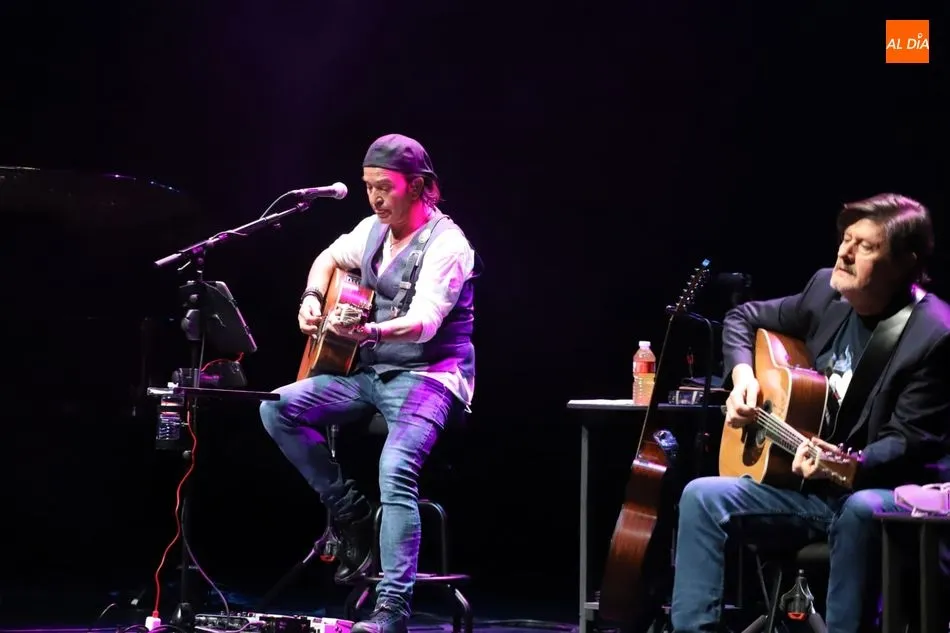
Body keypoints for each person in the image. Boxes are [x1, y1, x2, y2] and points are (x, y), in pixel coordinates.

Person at [670, 193, 950, 633]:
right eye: (846, 239)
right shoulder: (825, 291)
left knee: (860, 508)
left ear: (904, 264)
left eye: (866, 246)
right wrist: (744, 376)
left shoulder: (933, 333)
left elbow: (911, 442)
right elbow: (743, 318)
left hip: (885, 492)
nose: (845, 252)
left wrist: (843, 464)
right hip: (806, 494)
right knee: (702, 496)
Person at [260, 133, 480, 633]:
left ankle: (391, 611)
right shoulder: (371, 228)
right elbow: (329, 257)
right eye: (368, 187)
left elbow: (424, 323)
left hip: (430, 375)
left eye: (386, 187)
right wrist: (312, 297)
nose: (376, 198)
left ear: (419, 187)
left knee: (395, 467)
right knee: (277, 407)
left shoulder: (448, 245)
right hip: (370, 372)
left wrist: (370, 330)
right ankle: (350, 512)